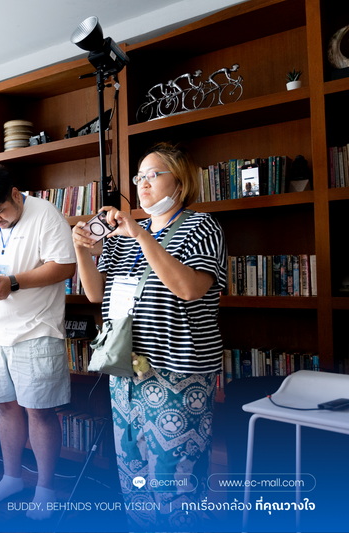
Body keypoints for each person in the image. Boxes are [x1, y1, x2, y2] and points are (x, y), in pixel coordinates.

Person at [73, 142, 227, 530]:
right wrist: (82, 251)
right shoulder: (122, 237)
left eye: (153, 175)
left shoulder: (201, 226)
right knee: (133, 470)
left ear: (181, 181)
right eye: (139, 176)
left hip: (178, 370)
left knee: (176, 476)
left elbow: (189, 289)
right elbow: (95, 294)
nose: (142, 183)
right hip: (126, 368)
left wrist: (142, 236)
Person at [0, 165, 76, 521]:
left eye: (1, 211)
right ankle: (11, 478)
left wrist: (14, 282)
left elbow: (65, 266)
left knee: (40, 411)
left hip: (36, 331)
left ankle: (45, 489)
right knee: (5, 408)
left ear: (15, 194)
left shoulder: (46, 213)